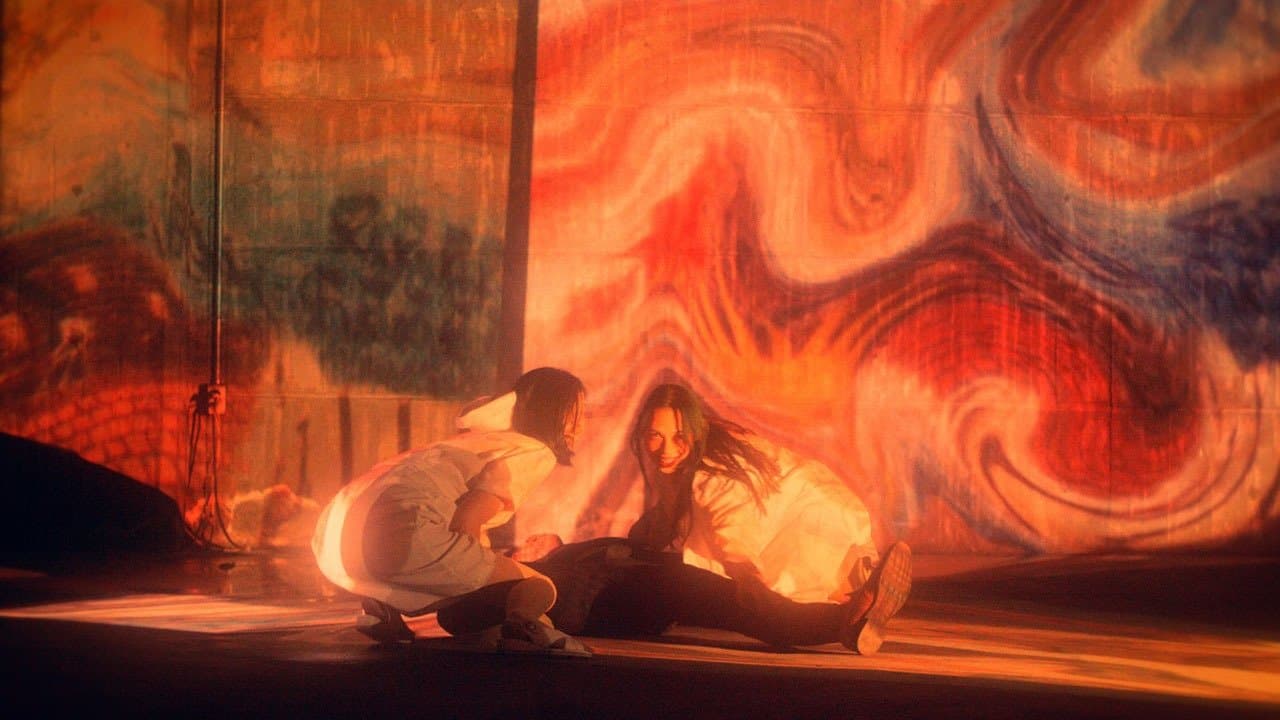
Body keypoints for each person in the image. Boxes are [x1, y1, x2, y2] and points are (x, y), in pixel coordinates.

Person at [311, 367, 590, 654]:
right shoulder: (533, 450)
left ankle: (382, 611)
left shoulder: (474, 440)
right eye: (576, 412)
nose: (581, 424)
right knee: (536, 585)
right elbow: (469, 519)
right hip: (401, 537)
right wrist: (482, 582)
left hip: (332, 544)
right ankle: (526, 627)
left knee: (459, 579)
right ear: (552, 411)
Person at [627, 383, 894, 604]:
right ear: (642, 432)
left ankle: (865, 595)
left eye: (678, 436)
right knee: (806, 585)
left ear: (693, 433)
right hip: (806, 501)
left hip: (811, 511)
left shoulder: (711, 476)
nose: (667, 450)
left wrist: (745, 574)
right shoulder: (696, 452)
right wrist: (648, 530)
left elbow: (730, 524)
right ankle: (866, 589)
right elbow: (677, 511)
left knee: (800, 589)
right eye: (655, 435)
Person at [436, 536, 913, 655]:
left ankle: (841, 622)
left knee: (740, 610)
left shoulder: (542, 566)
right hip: (618, 592)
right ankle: (842, 620)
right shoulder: (496, 578)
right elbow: (476, 615)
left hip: (624, 597)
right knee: (741, 606)